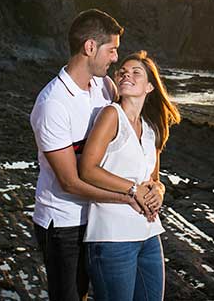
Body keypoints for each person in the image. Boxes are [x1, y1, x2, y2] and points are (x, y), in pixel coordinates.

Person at [30, 9, 159, 300]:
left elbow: (124, 139)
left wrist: (153, 185)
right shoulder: (53, 104)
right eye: (111, 50)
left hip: (100, 219)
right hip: (64, 222)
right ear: (90, 47)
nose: (116, 58)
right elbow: (70, 182)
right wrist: (129, 196)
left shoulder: (105, 86)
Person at [78, 51, 182, 301]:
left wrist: (159, 191)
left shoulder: (151, 128)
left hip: (148, 233)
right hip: (112, 237)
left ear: (149, 87)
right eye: (123, 72)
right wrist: (133, 189)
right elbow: (87, 169)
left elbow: (155, 178)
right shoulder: (111, 115)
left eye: (136, 73)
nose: (127, 75)